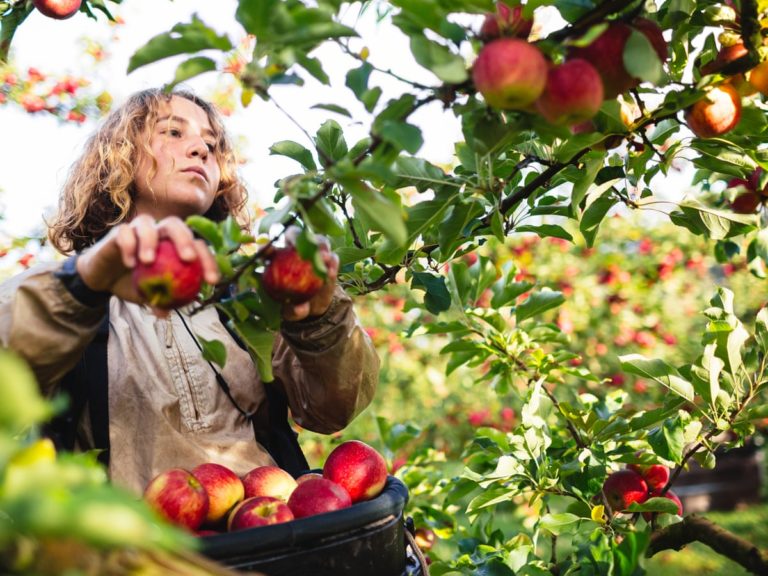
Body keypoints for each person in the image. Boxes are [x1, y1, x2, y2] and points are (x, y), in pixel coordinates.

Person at [0, 88, 380, 495]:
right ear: (122, 154)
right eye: (173, 132)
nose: (200, 148)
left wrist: (321, 323)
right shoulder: (74, 292)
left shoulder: (246, 296)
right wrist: (85, 283)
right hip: (137, 548)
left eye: (212, 144)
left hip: (270, 539)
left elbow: (333, 409)